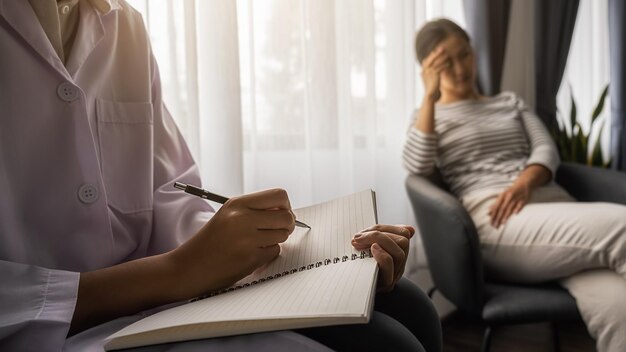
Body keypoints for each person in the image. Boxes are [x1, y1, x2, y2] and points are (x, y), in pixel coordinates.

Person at [0, 1, 443, 351]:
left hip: (161, 304)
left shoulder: (126, 27)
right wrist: (177, 271)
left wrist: (257, 248)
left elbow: (172, 194)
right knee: (390, 343)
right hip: (61, 331)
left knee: (412, 308)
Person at [402, 18, 626, 352]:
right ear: (428, 70)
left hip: (556, 211)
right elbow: (417, 166)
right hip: (498, 220)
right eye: (445, 63)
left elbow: (546, 150)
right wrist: (430, 98)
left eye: (464, 55)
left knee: (617, 303)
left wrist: (524, 182)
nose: (460, 68)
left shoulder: (508, 102)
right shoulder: (429, 117)